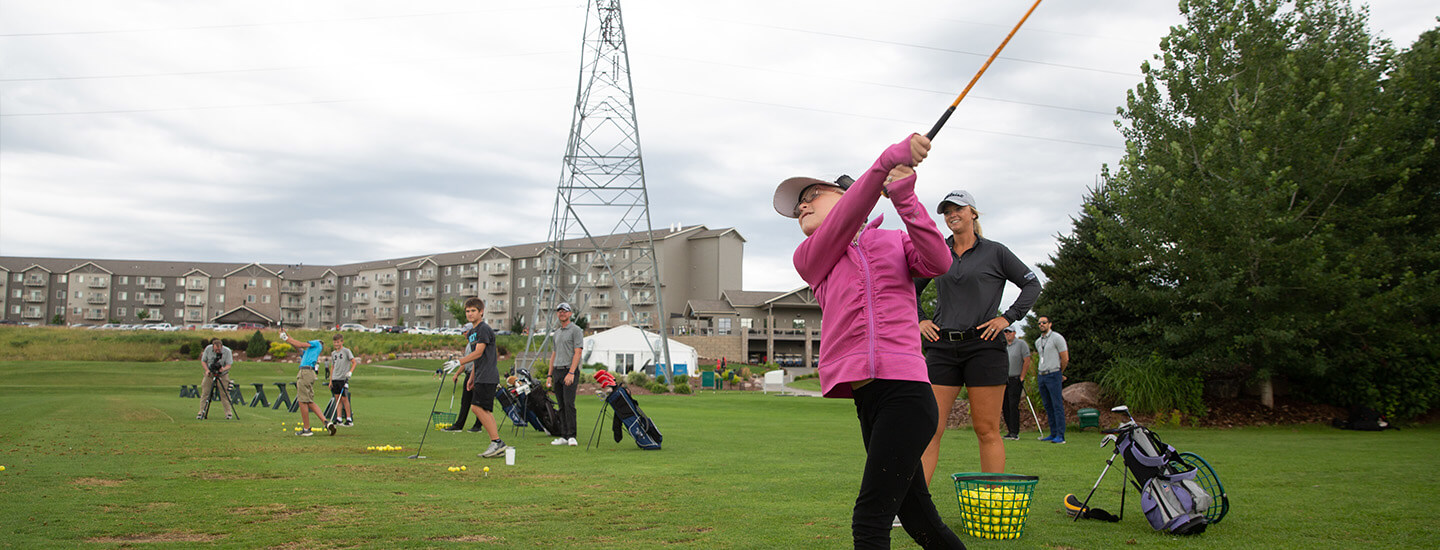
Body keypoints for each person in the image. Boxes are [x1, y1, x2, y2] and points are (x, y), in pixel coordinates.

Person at [776, 133, 964, 549]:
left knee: (870, 521)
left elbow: (938, 260)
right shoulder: (811, 256)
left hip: (907, 395)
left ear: (847, 195)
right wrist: (887, 160)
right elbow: (844, 221)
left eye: (811, 194)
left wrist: (904, 196)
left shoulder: (893, 241)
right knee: (920, 520)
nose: (801, 205)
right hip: (869, 400)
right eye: (797, 205)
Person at [914, 189, 1040, 479]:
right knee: (929, 430)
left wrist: (1008, 317)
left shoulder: (996, 252)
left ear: (973, 212)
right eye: (946, 212)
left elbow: (1032, 285)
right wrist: (920, 320)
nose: (951, 215)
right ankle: (915, 508)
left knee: (986, 430)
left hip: (984, 348)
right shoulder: (937, 250)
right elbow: (909, 289)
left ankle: (992, 504)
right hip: (941, 348)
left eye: (957, 209)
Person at [282, 330, 336, 436]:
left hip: (305, 373)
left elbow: (301, 344)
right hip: (309, 373)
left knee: (302, 401)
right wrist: (287, 336)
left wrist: (286, 339)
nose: (309, 344)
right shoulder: (309, 353)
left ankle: (306, 429)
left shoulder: (317, 343)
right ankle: (326, 422)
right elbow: (298, 348)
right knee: (309, 402)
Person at [547, 302, 584, 447]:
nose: (562, 313)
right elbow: (554, 354)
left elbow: (578, 352)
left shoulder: (575, 330)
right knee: (561, 405)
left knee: (569, 404)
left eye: (565, 311)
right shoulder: (556, 333)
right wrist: (549, 375)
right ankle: (563, 435)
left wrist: (571, 372)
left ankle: (572, 435)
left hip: (569, 370)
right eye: (559, 311)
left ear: (570, 314)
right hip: (557, 371)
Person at [1035, 316, 1069, 443]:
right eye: (1039, 323)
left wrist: (1060, 372)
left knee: (1057, 405)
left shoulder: (1057, 338)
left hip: (1053, 373)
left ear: (1050, 324)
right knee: (1047, 405)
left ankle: (1060, 435)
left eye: (1044, 322)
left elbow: (1065, 358)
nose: (1041, 325)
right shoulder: (1038, 341)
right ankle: (1053, 432)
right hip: (1042, 374)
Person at [1002, 326, 1032, 440]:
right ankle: (1010, 431)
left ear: (1014, 333)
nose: (1007, 334)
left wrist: (1022, 377)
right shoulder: (1003, 345)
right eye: (1005, 332)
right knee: (1005, 406)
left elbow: (1027, 360)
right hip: (1004, 380)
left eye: (1009, 332)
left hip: (1016, 378)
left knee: (1013, 405)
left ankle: (1015, 432)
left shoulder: (1021, 344)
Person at [196, 339, 235, 420]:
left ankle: (228, 413)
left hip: (223, 374)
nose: (217, 351)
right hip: (210, 374)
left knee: (225, 394)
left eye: (219, 349)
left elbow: (229, 365)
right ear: (212, 347)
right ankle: (201, 412)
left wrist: (223, 369)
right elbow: (203, 361)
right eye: (215, 349)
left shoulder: (227, 351)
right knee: (205, 393)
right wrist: (207, 370)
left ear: (222, 347)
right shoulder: (208, 349)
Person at [328, 333, 357, 427]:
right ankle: (339, 418)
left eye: (338, 342)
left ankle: (349, 419)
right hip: (335, 378)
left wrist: (350, 372)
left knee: (344, 398)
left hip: (343, 378)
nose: (336, 344)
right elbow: (332, 367)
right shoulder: (333, 353)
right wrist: (330, 380)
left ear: (342, 342)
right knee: (337, 398)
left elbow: (354, 362)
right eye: (335, 342)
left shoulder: (346, 351)